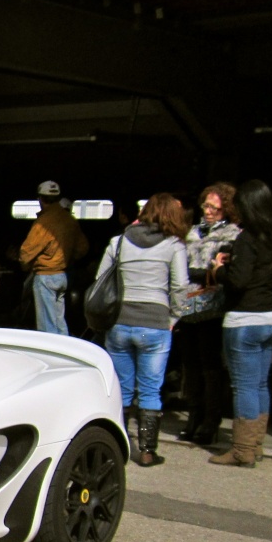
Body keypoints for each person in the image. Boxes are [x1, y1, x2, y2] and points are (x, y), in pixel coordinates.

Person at [96, 193, 189, 466]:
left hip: (120, 323)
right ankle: (147, 451)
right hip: (156, 324)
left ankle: (118, 446)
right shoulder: (174, 245)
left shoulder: (120, 241)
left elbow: (101, 279)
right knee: (150, 389)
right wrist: (173, 317)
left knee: (122, 389)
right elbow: (181, 286)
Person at [209, 179, 272, 468]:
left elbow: (238, 281)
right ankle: (256, 445)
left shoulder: (247, 238)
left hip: (245, 319)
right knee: (259, 384)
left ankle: (241, 451)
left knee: (243, 386)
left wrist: (219, 270)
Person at [176, 182, 240, 446]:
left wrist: (196, 274)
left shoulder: (232, 234)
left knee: (210, 366)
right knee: (190, 365)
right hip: (187, 308)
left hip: (213, 307)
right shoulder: (190, 232)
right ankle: (194, 416)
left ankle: (210, 422)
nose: (210, 211)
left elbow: (224, 273)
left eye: (215, 207)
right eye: (206, 205)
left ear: (226, 209)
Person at [19, 180, 88, 335]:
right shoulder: (69, 220)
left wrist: (26, 266)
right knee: (59, 321)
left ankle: (49, 357)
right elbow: (83, 247)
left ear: (40, 199)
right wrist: (67, 259)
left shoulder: (43, 222)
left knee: (47, 325)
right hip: (62, 276)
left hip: (45, 277)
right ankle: (66, 352)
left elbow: (26, 251)